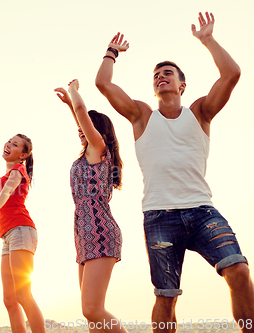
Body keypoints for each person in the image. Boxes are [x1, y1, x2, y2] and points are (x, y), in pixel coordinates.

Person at [95, 12, 254, 332]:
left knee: (238, 271)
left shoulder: (200, 111)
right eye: (156, 75)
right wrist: (111, 52)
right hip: (159, 216)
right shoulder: (141, 115)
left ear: (182, 84)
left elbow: (232, 73)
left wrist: (207, 39)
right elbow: (103, 83)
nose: (160, 76)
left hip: (202, 211)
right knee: (166, 298)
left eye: (167, 73)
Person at [55, 80, 126, 333]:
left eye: (86, 126)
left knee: (92, 310)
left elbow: (84, 115)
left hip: (99, 230)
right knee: (92, 316)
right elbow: (82, 120)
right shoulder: (88, 152)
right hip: (83, 234)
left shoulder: (99, 149)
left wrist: (74, 92)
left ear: (101, 132)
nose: (81, 129)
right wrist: (70, 107)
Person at [0, 134, 45, 333]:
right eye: (9, 141)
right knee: (9, 299)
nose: (8, 145)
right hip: (8, 235)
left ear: (23, 155)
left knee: (23, 294)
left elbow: (7, 192)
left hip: (21, 230)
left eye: (15, 145)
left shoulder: (18, 171)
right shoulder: (5, 175)